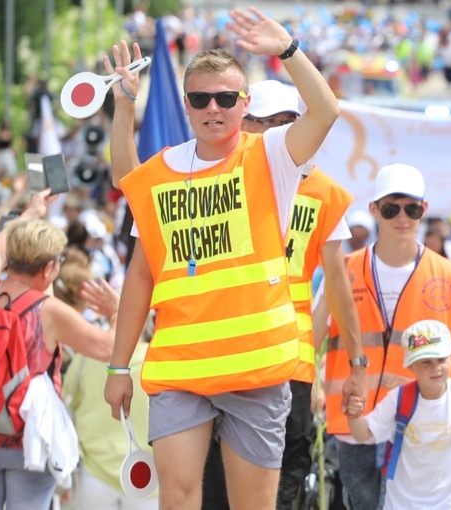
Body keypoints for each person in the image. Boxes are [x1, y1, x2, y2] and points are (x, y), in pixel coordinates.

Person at [102, 7, 341, 510]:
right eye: (201, 98)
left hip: (256, 368)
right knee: (179, 499)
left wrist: (288, 50)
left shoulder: (271, 155)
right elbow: (140, 267)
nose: (214, 108)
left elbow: (325, 112)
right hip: (180, 367)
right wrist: (117, 367)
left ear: (244, 103)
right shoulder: (163, 173)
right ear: (187, 106)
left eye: (227, 98)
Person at [199, 79, 364, 510]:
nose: (275, 131)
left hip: (290, 357)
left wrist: (354, 362)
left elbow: (338, 285)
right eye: (265, 121)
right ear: (244, 122)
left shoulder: (323, 191)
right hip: (227, 353)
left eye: (286, 122)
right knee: (217, 478)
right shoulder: (212, 178)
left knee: (286, 476)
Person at [322, 163, 451, 509]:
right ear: (374, 210)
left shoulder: (450, 276)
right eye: (391, 208)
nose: (402, 218)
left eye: (412, 209)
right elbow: (315, 334)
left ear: (424, 210)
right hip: (355, 420)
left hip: (421, 424)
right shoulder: (344, 270)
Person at [0, 191, 116, 510]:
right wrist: (117, 312)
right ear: (50, 268)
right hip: (30, 438)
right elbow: (108, 348)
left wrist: (30, 213)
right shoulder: (49, 311)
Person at [345, 319, 451, 510]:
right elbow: (362, 433)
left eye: (441, 359)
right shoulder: (398, 399)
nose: (435, 367)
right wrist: (353, 416)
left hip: (448, 503)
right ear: (410, 366)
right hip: (401, 505)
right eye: (426, 362)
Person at [58, 261, 156, 510]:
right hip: (147, 477)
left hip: (94, 476)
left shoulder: (84, 359)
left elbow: (66, 405)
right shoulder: (157, 360)